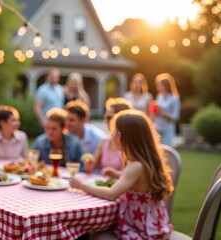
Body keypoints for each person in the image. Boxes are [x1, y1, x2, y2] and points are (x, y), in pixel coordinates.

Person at [70, 110, 173, 239]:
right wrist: (118, 174)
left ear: (119, 136)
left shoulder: (136, 165)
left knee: (91, 234)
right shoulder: (140, 161)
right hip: (150, 223)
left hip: (142, 229)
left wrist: (81, 185)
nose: (111, 135)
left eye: (113, 131)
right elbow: (138, 183)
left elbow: (111, 194)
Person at [84, 98, 133, 174]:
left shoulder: (130, 145)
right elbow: (90, 169)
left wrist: (115, 173)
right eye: (105, 117)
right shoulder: (105, 141)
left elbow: (130, 175)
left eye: (109, 117)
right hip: (104, 184)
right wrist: (88, 163)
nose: (105, 121)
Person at [153, 73, 181, 147]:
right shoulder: (159, 97)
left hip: (167, 130)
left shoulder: (174, 98)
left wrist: (161, 112)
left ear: (166, 86)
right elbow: (156, 113)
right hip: (157, 128)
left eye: (159, 85)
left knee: (167, 152)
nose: (157, 87)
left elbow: (175, 117)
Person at [34, 68, 64, 133]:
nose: (54, 79)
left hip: (58, 123)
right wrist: (43, 122)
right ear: (47, 78)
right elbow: (37, 108)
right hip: (47, 124)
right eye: (52, 77)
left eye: (56, 77)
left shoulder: (60, 89)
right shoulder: (42, 90)